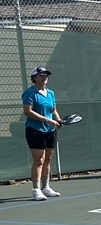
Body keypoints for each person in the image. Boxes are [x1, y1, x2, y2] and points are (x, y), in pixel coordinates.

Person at [21, 66, 62, 201]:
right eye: (41, 75)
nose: (44, 77)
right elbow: (28, 111)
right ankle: (36, 190)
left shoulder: (50, 93)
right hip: (35, 130)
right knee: (39, 160)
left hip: (50, 130)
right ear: (34, 78)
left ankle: (46, 187)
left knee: (48, 159)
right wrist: (46, 119)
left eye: (46, 75)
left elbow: (53, 109)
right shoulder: (30, 93)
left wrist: (58, 119)